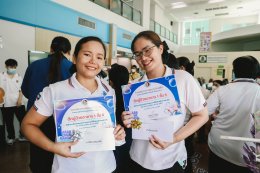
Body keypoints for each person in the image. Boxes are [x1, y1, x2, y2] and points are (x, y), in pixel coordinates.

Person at [21, 36, 125, 173]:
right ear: (75, 58)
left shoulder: (109, 91)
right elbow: (27, 126)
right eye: (87, 54)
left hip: (105, 167)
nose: (93, 61)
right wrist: (53, 147)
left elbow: (108, 129)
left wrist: (117, 135)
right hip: (68, 168)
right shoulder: (55, 91)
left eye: (99, 57)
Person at [121, 31, 208, 172]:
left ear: (160, 48)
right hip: (138, 158)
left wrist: (173, 138)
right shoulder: (134, 87)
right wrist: (128, 119)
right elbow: (135, 123)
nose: (143, 57)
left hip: (171, 159)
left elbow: (202, 115)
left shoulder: (182, 79)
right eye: (137, 54)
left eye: (147, 50)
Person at [21, 36, 73, 173]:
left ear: (51, 48)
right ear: (69, 52)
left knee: (39, 163)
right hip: (63, 123)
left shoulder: (34, 65)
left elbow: (26, 91)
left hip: (35, 123)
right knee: (61, 161)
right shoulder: (72, 68)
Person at [207, 55, 260, 173]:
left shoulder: (222, 89)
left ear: (234, 71)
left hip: (218, 145)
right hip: (247, 152)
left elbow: (204, 112)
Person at [108, 64, 132, 173]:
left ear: (111, 81)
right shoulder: (131, 96)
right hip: (130, 137)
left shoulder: (108, 97)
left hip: (114, 138)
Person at [0, 59, 26, 145]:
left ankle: (22, 136)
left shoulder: (18, 76)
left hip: (18, 103)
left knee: (23, 120)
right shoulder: (1, 76)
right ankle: (11, 137)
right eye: (11, 67)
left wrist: (19, 99)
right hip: (6, 103)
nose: (13, 69)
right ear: (6, 66)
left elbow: (22, 89)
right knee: (9, 122)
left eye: (14, 67)